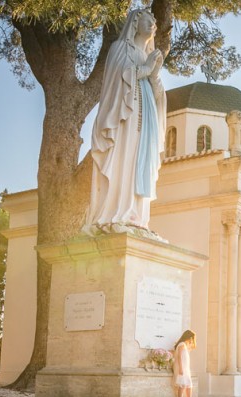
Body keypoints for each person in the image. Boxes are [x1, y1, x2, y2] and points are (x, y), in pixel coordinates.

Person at [84, 8, 166, 235]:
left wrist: (154, 75)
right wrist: (145, 68)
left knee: (142, 162)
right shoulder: (120, 48)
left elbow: (159, 96)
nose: (153, 26)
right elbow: (116, 79)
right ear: (135, 23)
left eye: (155, 23)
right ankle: (115, 213)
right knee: (125, 157)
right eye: (148, 20)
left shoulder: (148, 57)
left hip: (147, 118)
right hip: (124, 116)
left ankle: (137, 216)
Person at [173, 329, 197, 397]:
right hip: (182, 367)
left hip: (186, 368)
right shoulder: (182, 344)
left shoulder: (185, 345)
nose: (191, 340)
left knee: (189, 385)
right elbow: (179, 357)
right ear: (188, 337)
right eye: (191, 338)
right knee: (182, 384)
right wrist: (181, 368)